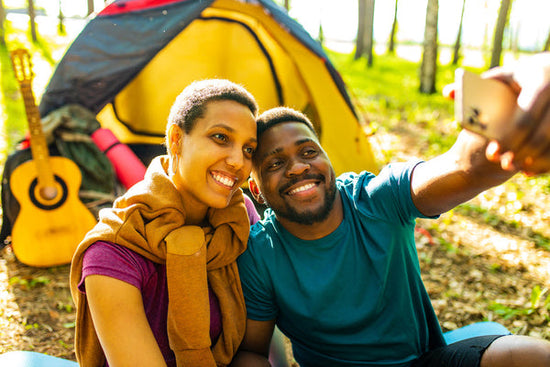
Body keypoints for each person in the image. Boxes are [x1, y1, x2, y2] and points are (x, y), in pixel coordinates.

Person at [234, 62, 550, 366]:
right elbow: (253, 352)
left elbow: (464, 168)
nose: (299, 167)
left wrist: (507, 128)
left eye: (309, 152)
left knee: (527, 355)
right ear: (256, 190)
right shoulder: (260, 253)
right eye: (275, 164)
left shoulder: (375, 199)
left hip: (423, 363)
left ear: (327, 159)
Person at [69, 79, 266, 367]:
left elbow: (261, 341)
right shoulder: (114, 250)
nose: (238, 161)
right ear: (176, 140)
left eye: (248, 149)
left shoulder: (237, 219)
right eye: (221, 137)